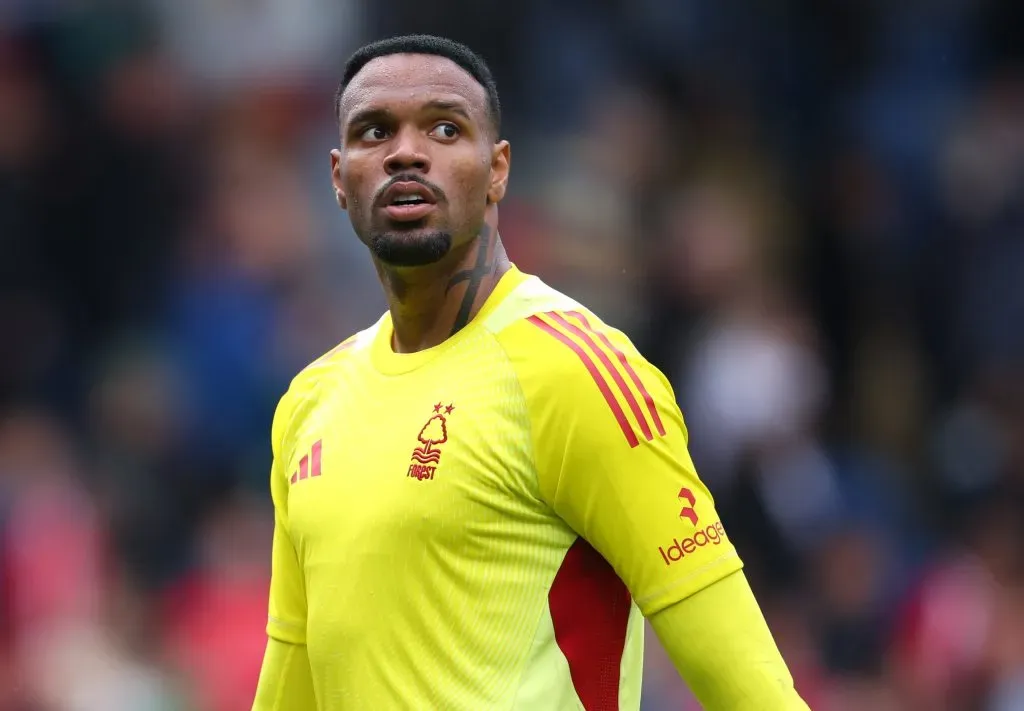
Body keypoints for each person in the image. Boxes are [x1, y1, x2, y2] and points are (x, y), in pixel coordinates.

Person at [251, 34, 809, 711]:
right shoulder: (310, 402)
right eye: (375, 131)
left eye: (445, 127)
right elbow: (290, 688)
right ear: (339, 178)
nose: (406, 151)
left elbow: (746, 680)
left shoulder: (575, 369)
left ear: (498, 170)